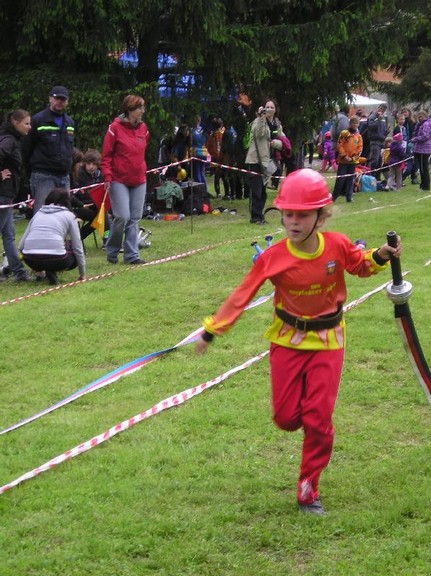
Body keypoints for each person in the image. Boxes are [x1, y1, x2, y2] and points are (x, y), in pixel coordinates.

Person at [195, 168, 402, 515]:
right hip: (287, 341)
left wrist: (379, 255)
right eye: (287, 214)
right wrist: (213, 329)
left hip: (328, 341)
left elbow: (359, 265)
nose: (292, 221)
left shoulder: (336, 244)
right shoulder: (272, 258)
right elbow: (242, 294)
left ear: (320, 215)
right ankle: (308, 420)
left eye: (302, 214)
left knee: (318, 419)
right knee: (287, 417)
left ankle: (309, 487)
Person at [101, 94, 149, 265]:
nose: (142, 111)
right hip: (118, 179)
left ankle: (131, 255)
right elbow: (106, 155)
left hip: (139, 179)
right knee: (122, 216)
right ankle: (112, 249)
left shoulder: (144, 128)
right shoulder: (115, 128)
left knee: (134, 218)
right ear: (129, 110)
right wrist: (107, 175)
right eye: (139, 108)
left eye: (142, 107)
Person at [22, 85, 75, 214]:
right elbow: (26, 148)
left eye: (63, 99)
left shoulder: (70, 122)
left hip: (64, 176)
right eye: (57, 98)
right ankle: (39, 235)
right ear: (50, 99)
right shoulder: (38, 120)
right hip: (43, 175)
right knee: (42, 213)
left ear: (67, 102)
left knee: (65, 215)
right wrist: (30, 171)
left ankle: (61, 235)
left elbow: (70, 148)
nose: (60, 102)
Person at [19, 188, 86, 285]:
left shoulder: (38, 214)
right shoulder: (69, 215)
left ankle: (40, 271)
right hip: (57, 259)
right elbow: (78, 247)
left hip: (31, 260)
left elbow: (21, 245)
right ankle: (106, 237)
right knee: (76, 246)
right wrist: (83, 273)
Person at [0, 109, 32, 282]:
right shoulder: (8, 141)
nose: (29, 127)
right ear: (15, 122)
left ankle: (19, 272)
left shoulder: (11, 139)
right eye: (26, 123)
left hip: (7, 195)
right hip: (3, 194)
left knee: (9, 235)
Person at [245, 100, 283, 224]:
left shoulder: (277, 124)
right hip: (255, 159)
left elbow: (283, 141)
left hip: (267, 161)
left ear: (275, 110)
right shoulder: (257, 121)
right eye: (267, 107)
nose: (269, 109)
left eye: (272, 107)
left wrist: (275, 143)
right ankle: (255, 217)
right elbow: (259, 134)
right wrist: (261, 117)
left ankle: (259, 215)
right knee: (256, 190)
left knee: (263, 191)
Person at [73, 149, 110, 243]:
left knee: (101, 215)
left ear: (98, 165)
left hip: (95, 206)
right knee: (101, 217)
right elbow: (75, 194)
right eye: (89, 164)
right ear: (84, 163)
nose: (91, 167)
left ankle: (77, 238)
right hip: (80, 207)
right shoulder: (78, 174)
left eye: (94, 164)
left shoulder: (101, 175)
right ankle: (107, 240)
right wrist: (82, 203)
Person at [331, 116, 363, 203]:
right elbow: (340, 145)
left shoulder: (358, 136)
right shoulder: (344, 133)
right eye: (354, 123)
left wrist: (353, 158)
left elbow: (360, 148)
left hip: (353, 161)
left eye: (357, 124)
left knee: (350, 179)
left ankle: (349, 196)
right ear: (350, 124)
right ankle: (334, 197)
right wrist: (345, 156)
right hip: (343, 160)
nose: (355, 125)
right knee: (340, 179)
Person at [410, 110, 431, 192]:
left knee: (423, 168)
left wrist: (415, 139)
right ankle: (422, 185)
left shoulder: (426, 124)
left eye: (421, 117)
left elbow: (425, 136)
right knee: (423, 168)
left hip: (424, 149)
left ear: (425, 116)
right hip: (420, 149)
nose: (420, 119)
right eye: (419, 117)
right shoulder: (420, 124)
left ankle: (425, 186)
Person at [367, 103, 388, 180]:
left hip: (382, 141)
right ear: (378, 108)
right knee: (374, 160)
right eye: (381, 109)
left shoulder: (383, 118)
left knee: (380, 161)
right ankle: (371, 177)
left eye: (383, 110)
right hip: (375, 141)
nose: (382, 111)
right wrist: (378, 119)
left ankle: (377, 178)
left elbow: (382, 129)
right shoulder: (372, 116)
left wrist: (386, 132)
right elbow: (371, 127)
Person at [189, 115, 208, 193]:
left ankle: (199, 190)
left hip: (196, 153)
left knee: (197, 173)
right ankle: (205, 189)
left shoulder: (191, 131)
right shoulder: (203, 130)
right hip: (203, 152)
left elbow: (190, 143)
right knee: (202, 172)